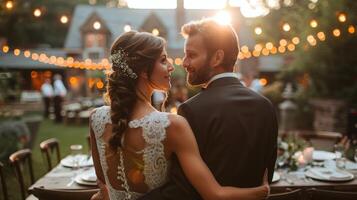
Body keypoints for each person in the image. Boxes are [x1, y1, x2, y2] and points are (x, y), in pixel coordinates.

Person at [90, 31, 269, 200]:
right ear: (143, 71)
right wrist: (260, 192)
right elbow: (215, 195)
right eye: (162, 60)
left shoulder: (96, 119)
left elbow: (103, 185)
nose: (171, 66)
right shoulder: (173, 125)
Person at [139, 18, 278, 200]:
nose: (185, 62)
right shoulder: (265, 106)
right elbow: (267, 175)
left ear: (217, 58)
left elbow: (182, 190)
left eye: (192, 55)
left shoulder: (192, 110)